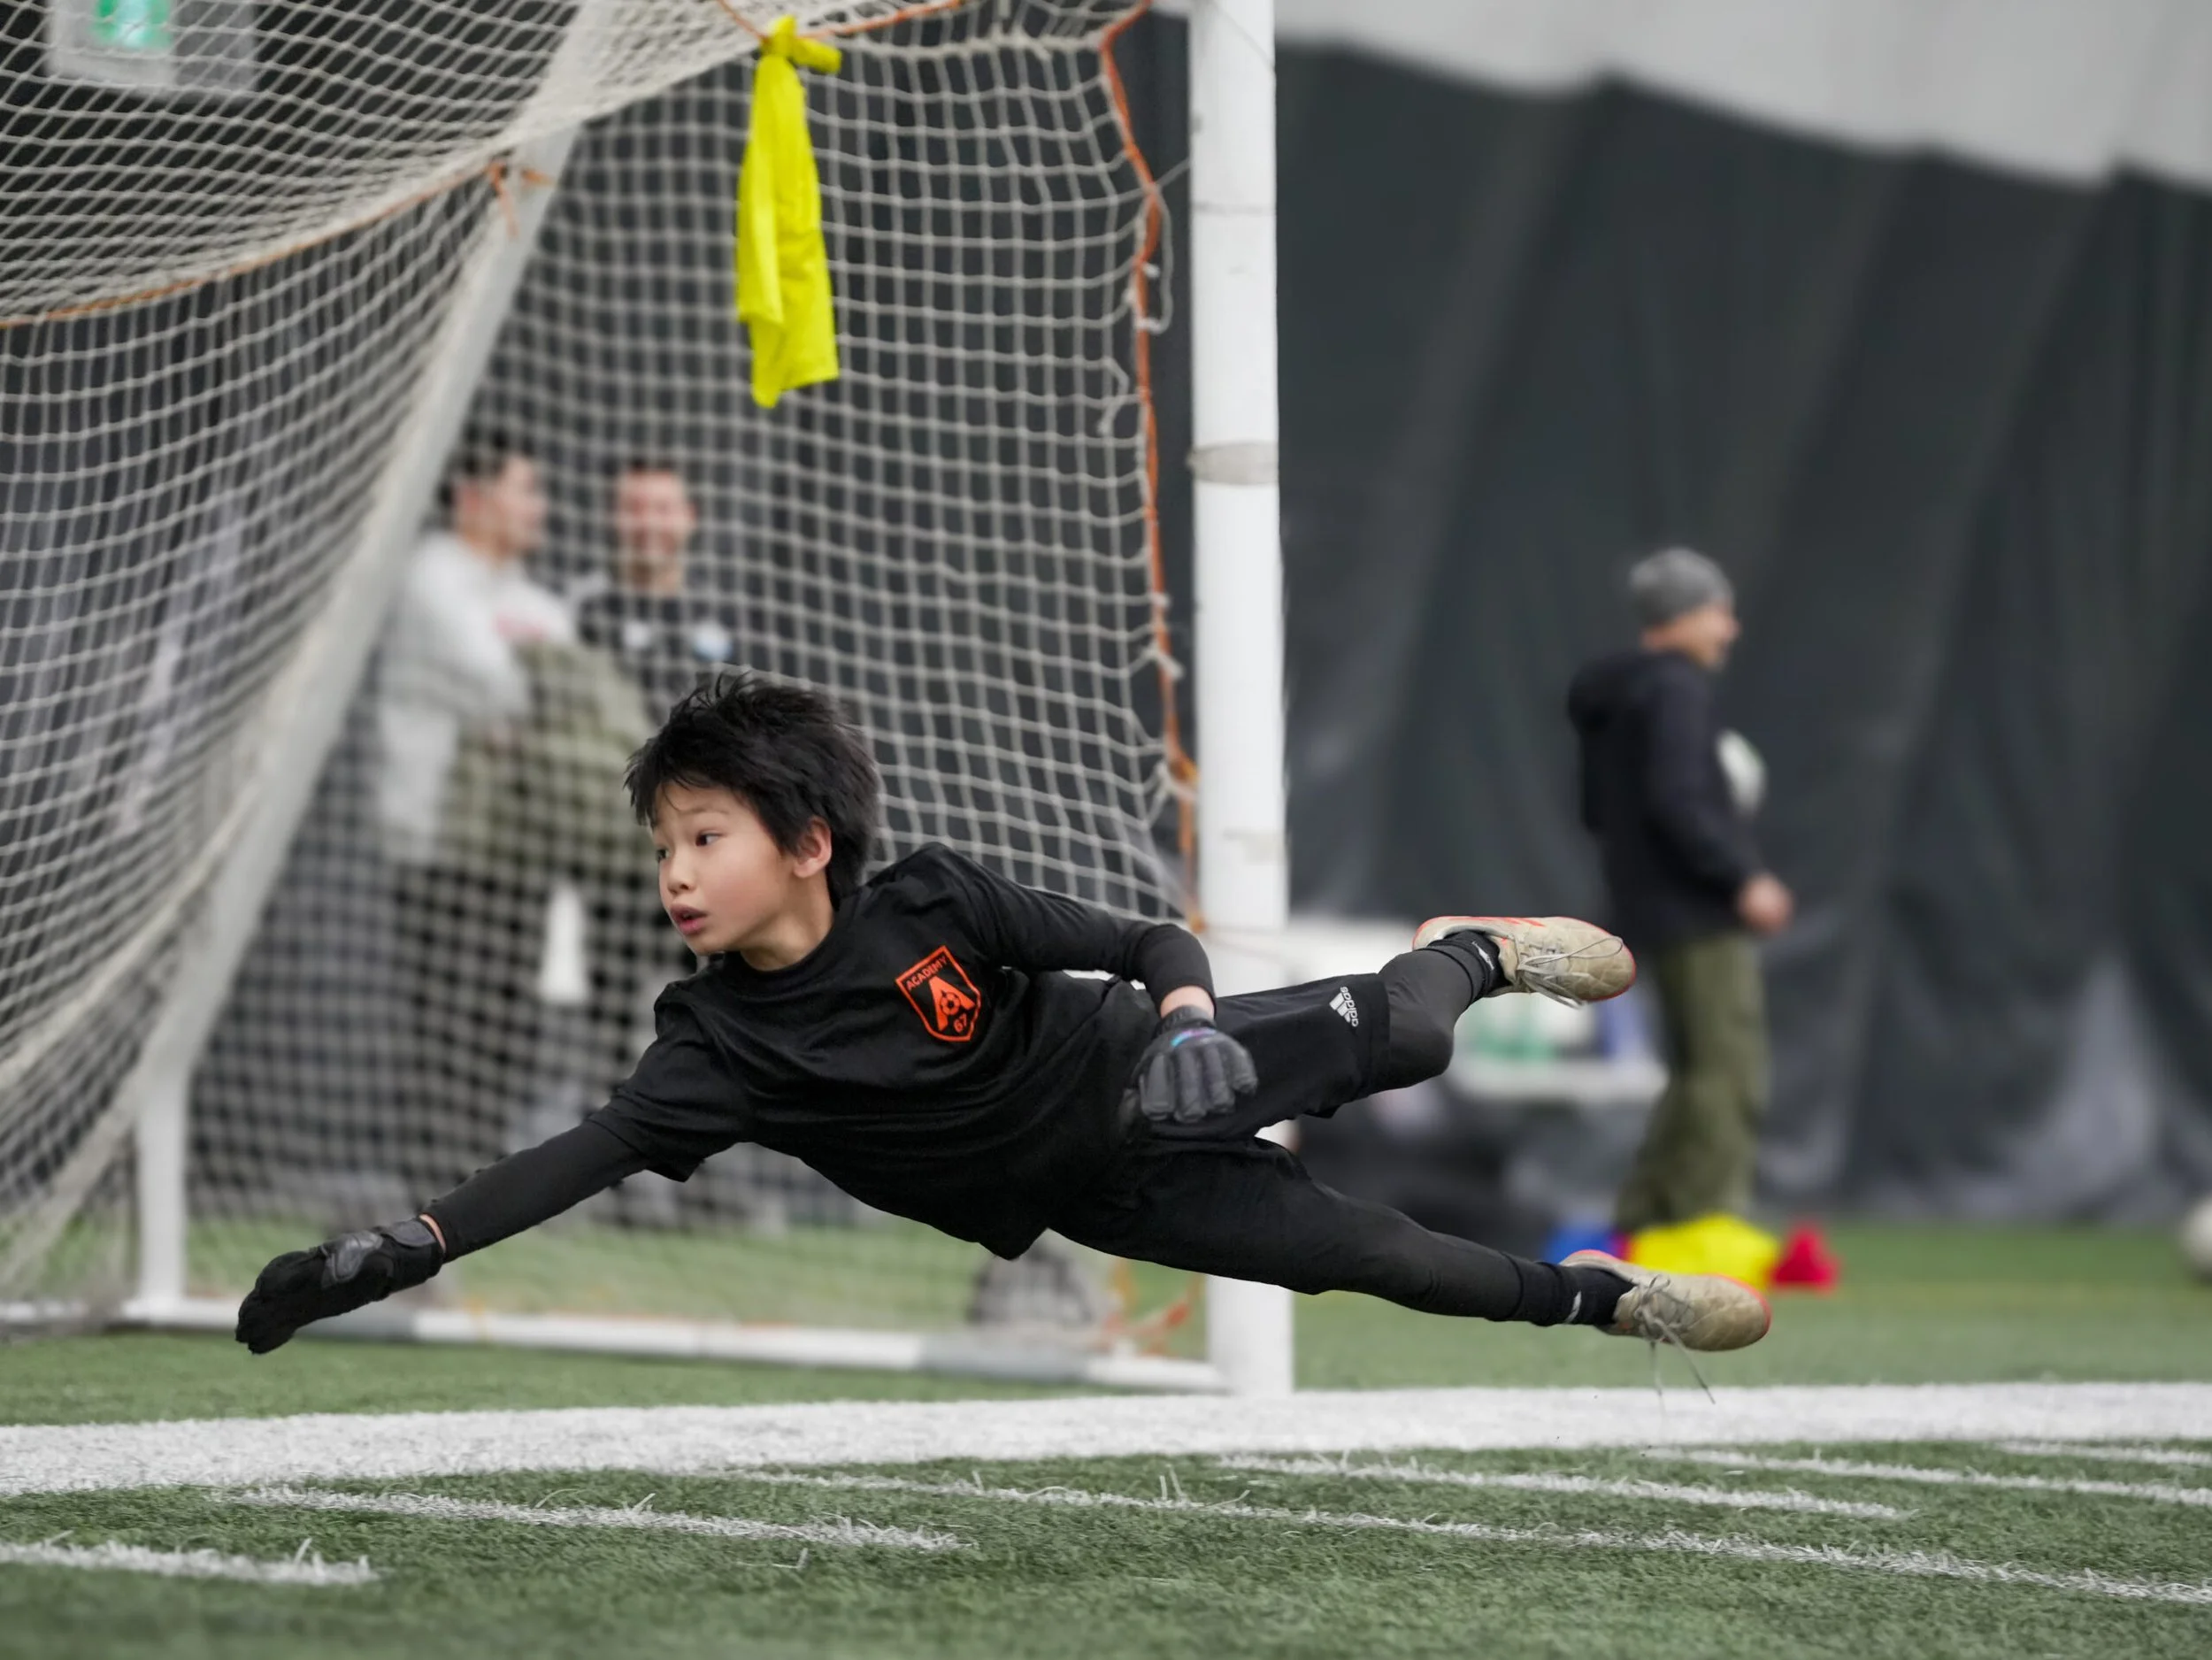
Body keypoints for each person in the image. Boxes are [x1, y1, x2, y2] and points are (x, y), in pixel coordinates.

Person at [236, 675, 1770, 1358]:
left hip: (1158, 1066)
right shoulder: (711, 1050)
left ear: (807, 840)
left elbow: (1152, 931)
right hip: (1098, 1184)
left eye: (704, 837)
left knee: (1420, 1038)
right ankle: (1612, 1303)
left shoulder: (940, 900)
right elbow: (572, 1158)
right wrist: (400, 1252)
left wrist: (1183, 1022)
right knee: (1372, 1258)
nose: (676, 875)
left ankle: (1474, 951)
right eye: (662, 849)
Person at [1568, 547, 1793, 1237]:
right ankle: (1705, 1224)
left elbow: (1595, 812)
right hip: (1697, 910)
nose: (1730, 629)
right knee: (1730, 1072)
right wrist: (1740, 874)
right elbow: (1679, 798)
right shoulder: (1677, 690)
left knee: (1695, 1070)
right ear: (1687, 615)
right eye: (1720, 613)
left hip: (1645, 905)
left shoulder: (1614, 694)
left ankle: (1645, 1219)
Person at [375, 431, 577, 1185]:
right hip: (437, 843)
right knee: (443, 1017)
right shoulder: (430, 578)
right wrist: (545, 701)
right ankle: (430, 1185)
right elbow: (512, 687)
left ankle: (486, 1187)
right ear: (472, 497)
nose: (539, 507)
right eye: (525, 488)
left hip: (522, 843)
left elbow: (567, 693)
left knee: (508, 1018)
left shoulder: (539, 604)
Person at [574, 462, 741, 713]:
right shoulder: (586, 610)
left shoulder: (725, 614)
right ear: (613, 517)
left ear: (690, 516)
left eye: (663, 509)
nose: (649, 523)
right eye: (634, 509)